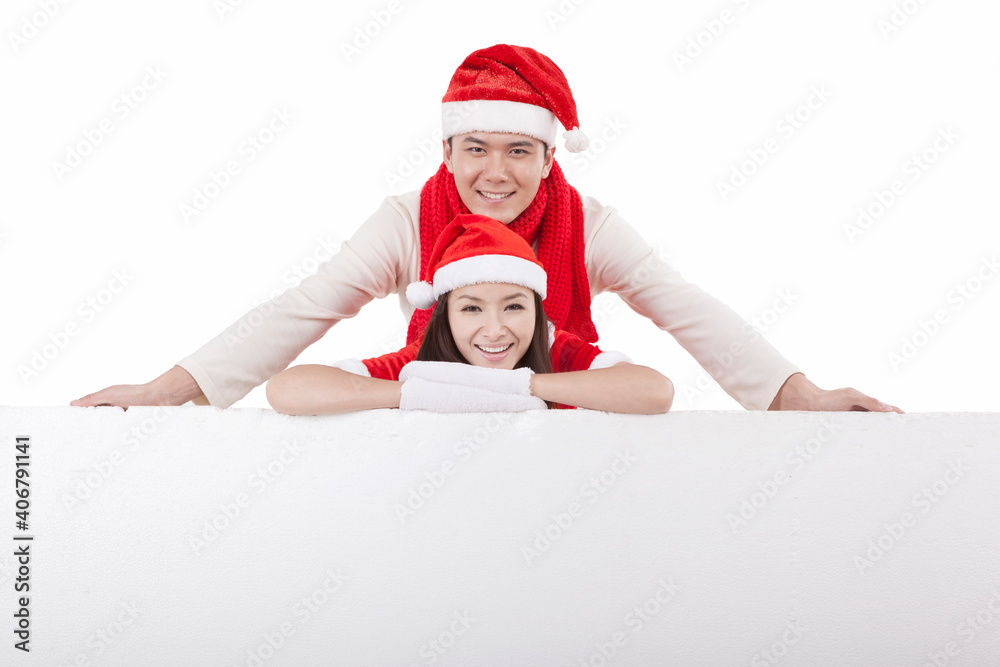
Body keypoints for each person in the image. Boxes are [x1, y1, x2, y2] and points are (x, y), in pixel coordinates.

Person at [71, 44, 901, 414]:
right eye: (475, 148)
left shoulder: (589, 225)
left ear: (549, 156)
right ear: (446, 148)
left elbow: (684, 308)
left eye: (517, 150)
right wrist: (165, 389)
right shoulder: (406, 221)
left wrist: (801, 396)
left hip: (574, 439)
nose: (495, 171)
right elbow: (304, 308)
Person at [265, 214, 673, 415]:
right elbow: (287, 390)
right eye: (471, 308)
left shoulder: (557, 352)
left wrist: (517, 387)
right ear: (445, 316)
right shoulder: (424, 366)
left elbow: (655, 392)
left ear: (536, 311)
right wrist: (426, 394)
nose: (494, 330)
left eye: (514, 306)